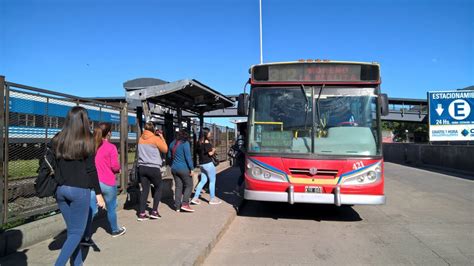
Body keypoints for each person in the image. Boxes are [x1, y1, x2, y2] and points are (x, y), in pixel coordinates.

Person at [52, 106, 105, 266]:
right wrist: (98, 193)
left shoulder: (57, 139)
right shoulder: (88, 140)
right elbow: (91, 169)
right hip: (79, 190)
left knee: (72, 233)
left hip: (60, 190)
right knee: (76, 233)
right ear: (85, 121)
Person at [82, 123, 126, 246]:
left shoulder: (90, 147)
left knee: (91, 210)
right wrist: (118, 170)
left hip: (93, 183)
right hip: (108, 182)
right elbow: (114, 166)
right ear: (109, 133)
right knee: (111, 208)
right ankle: (115, 230)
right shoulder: (111, 147)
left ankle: (85, 237)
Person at [137, 122, 168, 221]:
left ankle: (141, 213)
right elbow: (165, 149)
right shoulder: (155, 139)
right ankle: (154, 211)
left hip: (142, 167)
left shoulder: (140, 139)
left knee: (145, 190)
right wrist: (161, 137)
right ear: (153, 129)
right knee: (159, 187)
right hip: (153, 168)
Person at [191, 127, 222, 205]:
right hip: (208, 164)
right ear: (205, 133)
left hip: (201, 164)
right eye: (209, 132)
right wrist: (214, 149)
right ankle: (212, 199)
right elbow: (210, 153)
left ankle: (195, 198)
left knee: (203, 181)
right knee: (212, 181)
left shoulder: (199, 142)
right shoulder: (207, 142)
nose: (210, 133)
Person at [168, 129, 195, 212]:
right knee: (189, 185)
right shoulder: (185, 143)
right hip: (183, 168)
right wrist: (192, 169)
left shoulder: (172, 143)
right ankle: (185, 203)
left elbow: (169, 156)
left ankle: (177, 206)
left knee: (178, 187)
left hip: (174, 168)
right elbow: (188, 157)